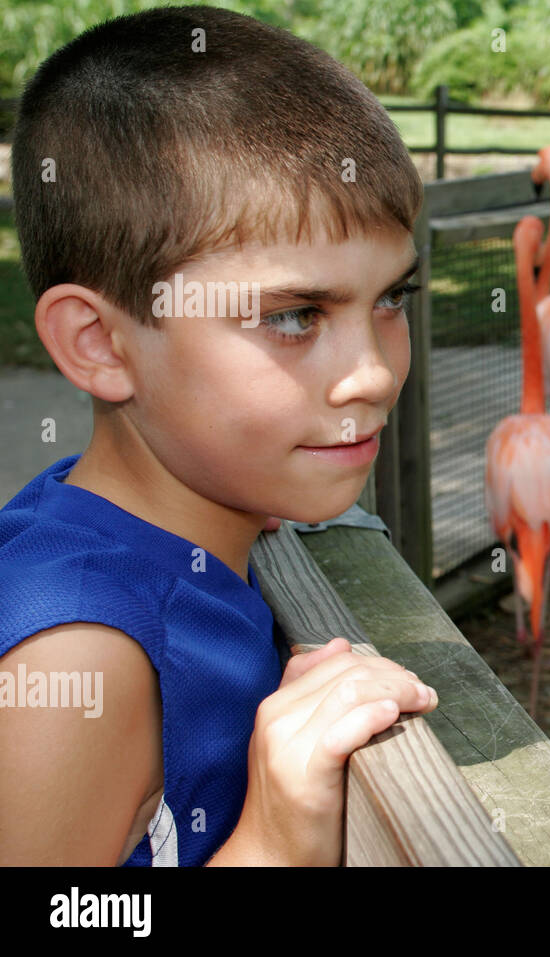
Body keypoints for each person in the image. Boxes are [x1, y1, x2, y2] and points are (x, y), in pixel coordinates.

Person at [0, 5, 437, 866]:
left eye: (391, 299)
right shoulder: (79, 665)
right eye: (294, 315)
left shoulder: (163, 514)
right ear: (100, 343)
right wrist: (273, 845)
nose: (375, 373)